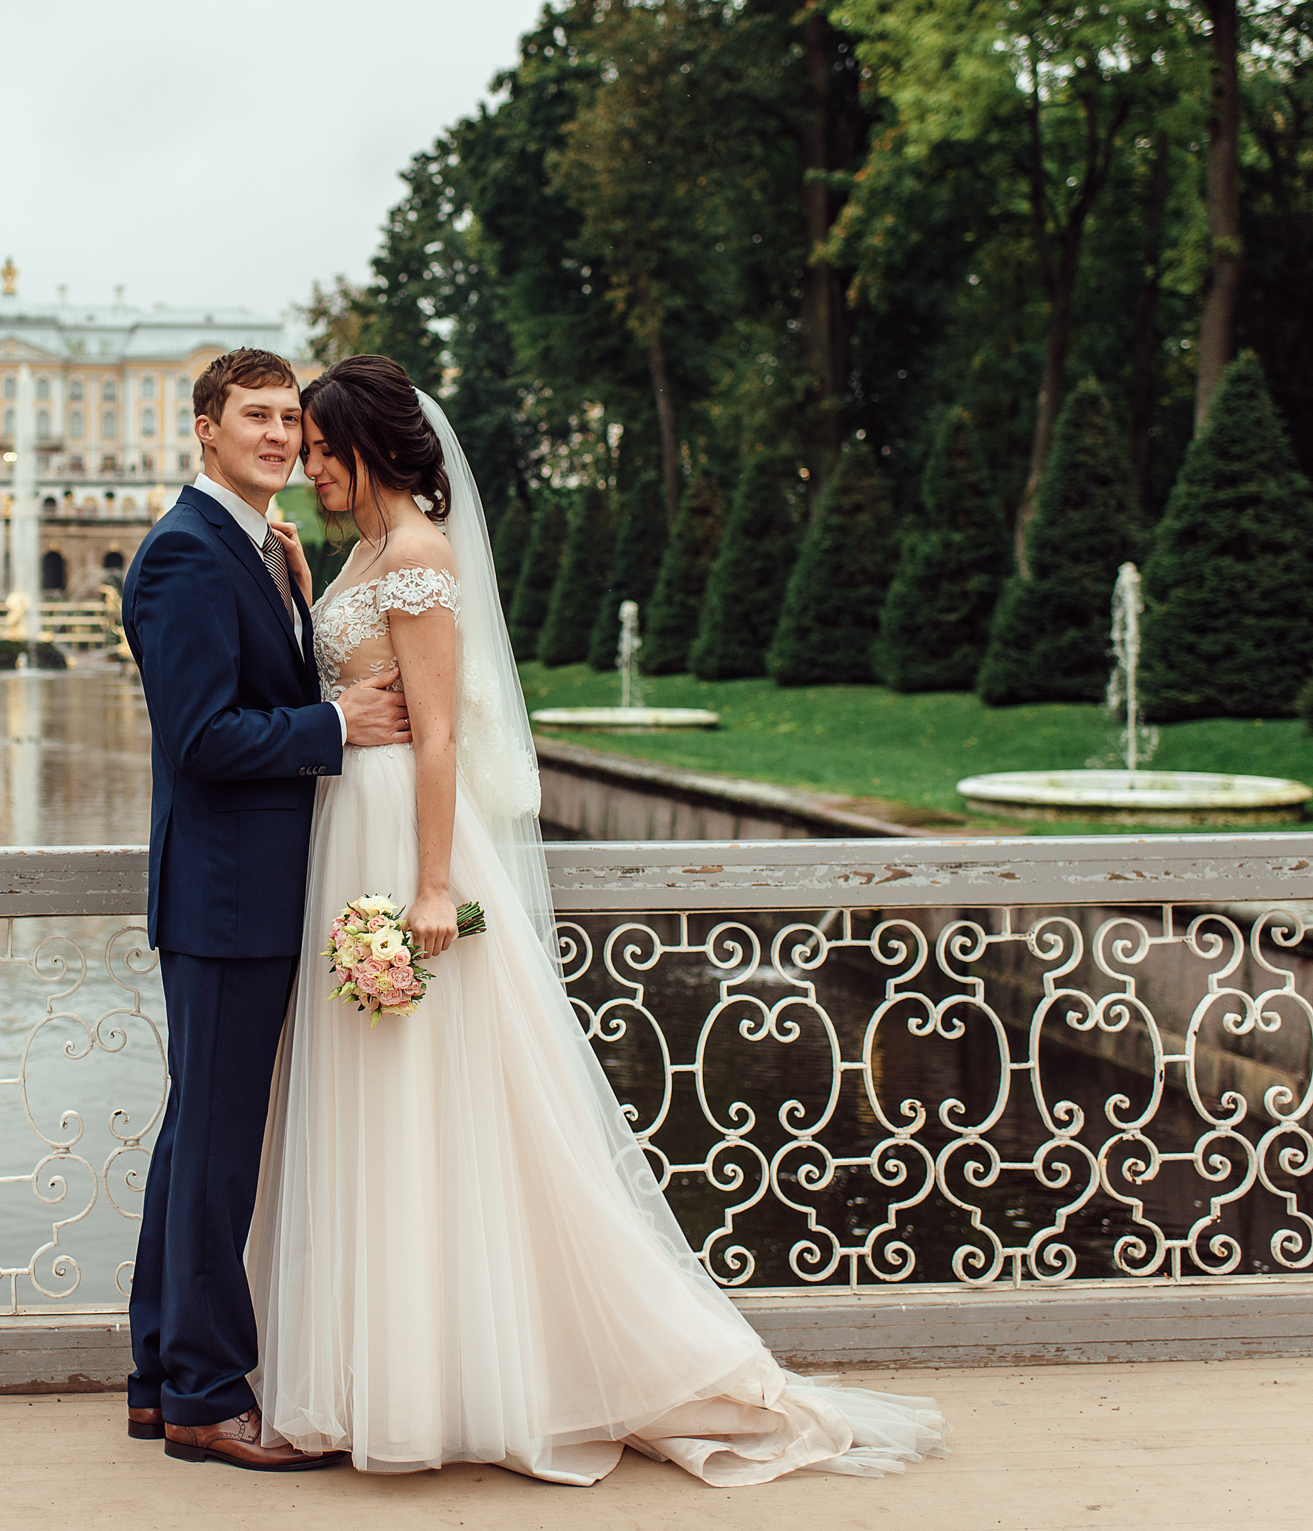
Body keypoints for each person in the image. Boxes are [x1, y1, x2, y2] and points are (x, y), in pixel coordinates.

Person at [245, 353, 950, 1485]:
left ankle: (482, 1377)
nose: (309, 467)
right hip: (350, 836)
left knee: (438, 1101)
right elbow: (345, 670)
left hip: (403, 845)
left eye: (323, 449)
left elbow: (438, 737)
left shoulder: (418, 560)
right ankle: (387, 1372)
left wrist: (433, 886)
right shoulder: (363, 554)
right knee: (377, 1097)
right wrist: (292, 569)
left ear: (368, 446)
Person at [119, 346, 413, 1471]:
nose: (283, 435)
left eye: (293, 418)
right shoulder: (189, 556)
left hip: (241, 893)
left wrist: (299, 613)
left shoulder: (247, 549)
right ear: (205, 426)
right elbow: (201, 741)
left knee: (199, 1139)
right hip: (228, 897)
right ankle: (203, 1394)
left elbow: (253, 695)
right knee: (217, 1151)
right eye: (257, 416)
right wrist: (339, 727)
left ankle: (160, 1379)